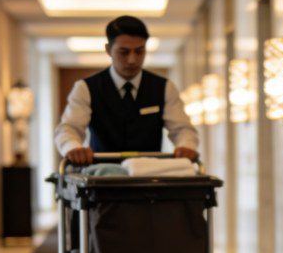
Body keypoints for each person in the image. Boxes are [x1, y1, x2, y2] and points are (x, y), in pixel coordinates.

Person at [54, 15, 199, 164]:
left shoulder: (164, 88)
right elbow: (69, 128)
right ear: (108, 50)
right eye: (124, 52)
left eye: (139, 51)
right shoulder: (86, 88)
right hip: (102, 173)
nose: (132, 60)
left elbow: (182, 129)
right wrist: (73, 148)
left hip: (150, 173)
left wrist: (186, 146)